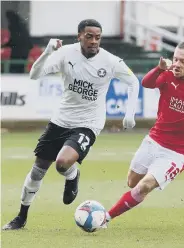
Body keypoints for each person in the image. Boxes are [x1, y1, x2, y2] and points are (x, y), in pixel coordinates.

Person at [2, 19, 140, 230]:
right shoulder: (65, 53)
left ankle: (72, 174)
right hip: (60, 120)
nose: (94, 41)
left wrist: (129, 113)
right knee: (38, 170)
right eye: (89, 36)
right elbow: (34, 75)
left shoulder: (110, 61)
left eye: (98, 37)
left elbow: (133, 82)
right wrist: (47, 52)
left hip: (88, 123)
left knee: (62, 162)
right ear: (79, 36)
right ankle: (21, 217)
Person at [105, 41, 184, 223]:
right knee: (132, 182)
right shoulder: (167, 76)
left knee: (144, 186)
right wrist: (159, 69)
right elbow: (146, 83)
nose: (177, 64)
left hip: (178, 153)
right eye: (175, 59)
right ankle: (139, 192)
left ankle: (104, 218)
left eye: (183, 61)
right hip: (153, 140)